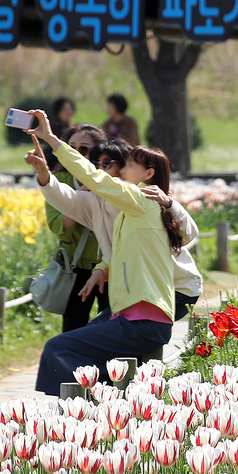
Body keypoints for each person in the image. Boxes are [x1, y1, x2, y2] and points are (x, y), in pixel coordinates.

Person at [25, 109, 186, 396]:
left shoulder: (141, 200)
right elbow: (72, 199)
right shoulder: (132, 212)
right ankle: (110, 396)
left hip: (143, 320)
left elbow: (92, 177)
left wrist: (51, 138)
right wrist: (102, 268)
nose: (120, 171)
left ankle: (101, 399)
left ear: (148, 174)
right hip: (136, 315)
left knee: (58, 347)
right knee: (72, 346)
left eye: (129, 165)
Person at [32, 138, 203, 326]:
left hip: (173, 287)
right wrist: (43, 173)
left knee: (113, 333)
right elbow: (64, 198)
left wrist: (170, 204)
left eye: (107, 164)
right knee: (106, 333)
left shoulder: (145, 199)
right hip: (140, 290)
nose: (100, 170)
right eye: (96, 164)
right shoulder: (97, 202)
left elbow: (188, 234)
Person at [46, 124, 107, 332]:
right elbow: (58, 227)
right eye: (71, 147)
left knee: (111, 327)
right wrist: (80, 195)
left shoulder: (110, 181)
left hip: (110, 266)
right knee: (72, 327)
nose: (76, 153)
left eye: (84, 149)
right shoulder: (58, 181)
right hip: (74, 266)